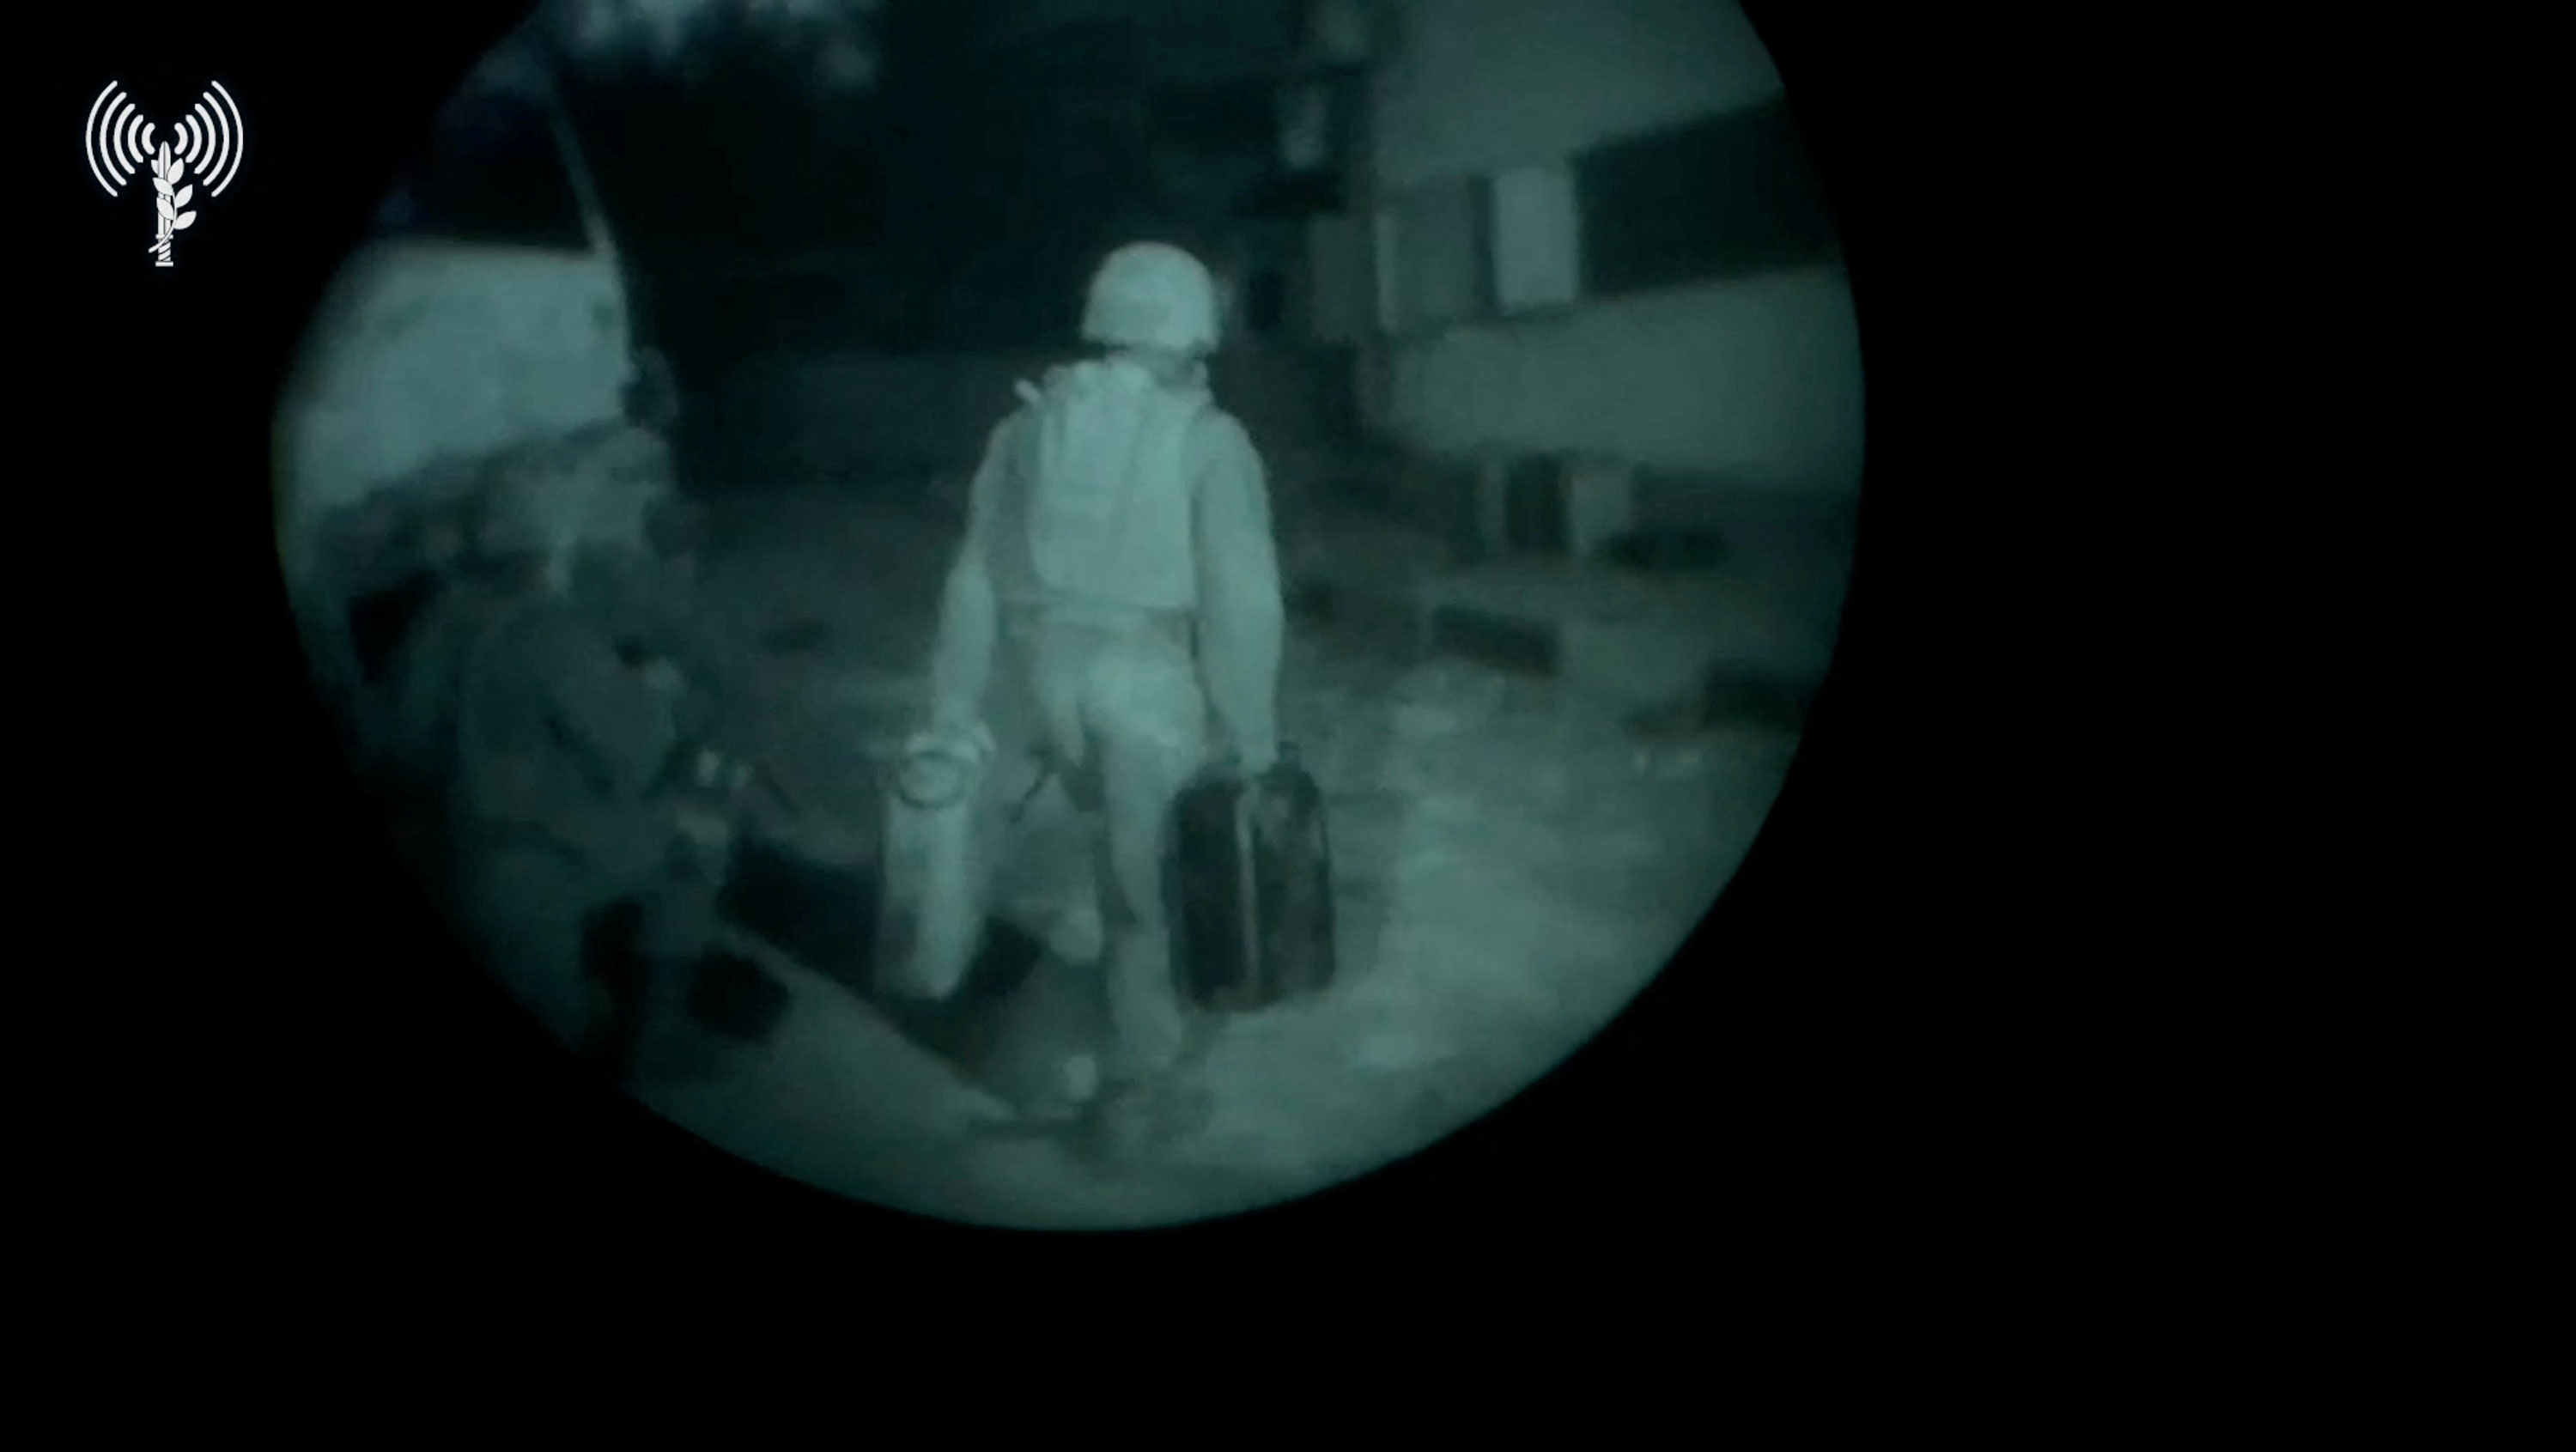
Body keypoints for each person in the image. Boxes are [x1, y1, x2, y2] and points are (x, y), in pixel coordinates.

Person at [919, 240, 1287, 1168]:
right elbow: (1242, 599)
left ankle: (1006, 1025)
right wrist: (1250, 732)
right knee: (1143, 894)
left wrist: (955, 700)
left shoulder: (1025, 430)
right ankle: (1135, 1091)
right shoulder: (1210, 439)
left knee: (1045, 855)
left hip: (1044, 678)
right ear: (1192, 329)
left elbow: (974, 577)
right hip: (1143, 681)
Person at [432, 477, 752, 1081]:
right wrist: (661, 686)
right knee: (706, 830)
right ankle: (655, 1038)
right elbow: (640, 748)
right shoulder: (548, 630)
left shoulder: (446, 616)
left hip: (458, 847)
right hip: (526, 874)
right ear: (553, 548)